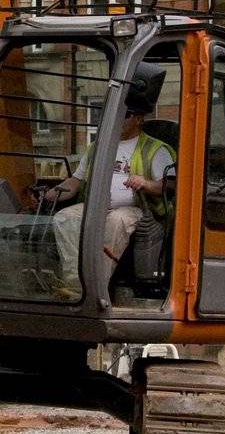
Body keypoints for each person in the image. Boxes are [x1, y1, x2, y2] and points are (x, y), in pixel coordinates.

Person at [42, 85, 174, 300]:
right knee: (65, 218)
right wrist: (53, 193)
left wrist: (145, 183)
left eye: (126, 115)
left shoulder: (155, 149)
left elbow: (171, 186)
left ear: (139, 118)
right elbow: (76, 181)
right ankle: (75, 285)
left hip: (138, 209)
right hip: (98, 205)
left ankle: (96, 287)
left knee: (116, 221)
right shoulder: (98, 146)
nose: (119, 119)